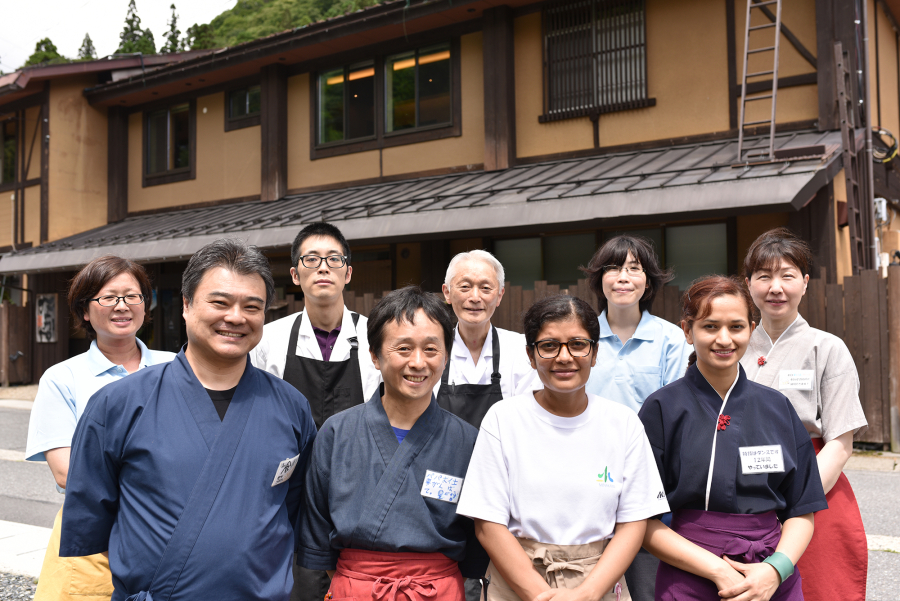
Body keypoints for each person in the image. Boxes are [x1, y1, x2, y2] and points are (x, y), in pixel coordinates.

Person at [59, 239, 317, 601]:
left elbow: (290, 510)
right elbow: (94, 526)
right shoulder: (117, 405)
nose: (236, 317)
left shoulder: (291, 406)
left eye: (252, 306)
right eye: (220, 302)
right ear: (186, 304)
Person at [457, 294, 670, 601]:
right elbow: (488, 525)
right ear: (531, 356)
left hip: (600, 580)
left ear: (595, 353)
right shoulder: (504, 419)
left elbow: (634, 523)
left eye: (578, 344)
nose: (565, 357)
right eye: (549, 346)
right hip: (517, 581)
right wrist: (539, 594)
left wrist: (588, 593)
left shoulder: (623, 423)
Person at [639, 276, 828, 601]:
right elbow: (641, 518)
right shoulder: (661, 409)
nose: (724, 339)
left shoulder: (778, 407)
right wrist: (718, 570)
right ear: (687, 330)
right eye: (710, 327)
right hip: (690, 573)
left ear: (751, 329)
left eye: (736, 327)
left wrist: (775, 569)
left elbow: (802, 508)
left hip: (770, 576)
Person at [297, 286, 489, 601]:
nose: (418, 362)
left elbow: (477, 542)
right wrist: (358, 581)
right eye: (403, 349)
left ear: (445, 357)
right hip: (357, 590)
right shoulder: (336, 433)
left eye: (431, 349)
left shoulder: (467, 440)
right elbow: (317, 531)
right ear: (374, 355)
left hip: (436, 591)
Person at [25, 256, 176, 601]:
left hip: (168, 531)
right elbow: (66, 472)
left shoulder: (177, 366)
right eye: (108, 297)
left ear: (145, 304)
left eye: (132, 296)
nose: (122, 306)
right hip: (94, 535)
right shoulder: (62, 378)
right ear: (84, 311)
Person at [251, 221, 381, 601]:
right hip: (288, 494)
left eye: (333, 259)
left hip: (361, 488)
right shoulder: (269, 340)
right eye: (311, 259)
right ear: (295, 273)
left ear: (348, 272)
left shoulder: (376, 337)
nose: (323, 267)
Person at [739, 228, 868, 601]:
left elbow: (841, 443)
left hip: (813, 485)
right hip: (742, 489)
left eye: (787, 275)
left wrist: (799, 500)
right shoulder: (733, 345)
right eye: (764, 276)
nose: (775, 287)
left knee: (818, 588)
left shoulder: (827, 348)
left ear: (805, 282)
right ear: (748, 285)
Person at [581, 235, 691, 601]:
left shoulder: (671, 339)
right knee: (587, 579)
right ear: (599, 279)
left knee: (650, 585)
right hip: (588, 469)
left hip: (649, 473)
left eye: (634, 268)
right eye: (613, 268)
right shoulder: (584, 337)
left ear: (649, 281)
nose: (623, 277)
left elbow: (676, 414)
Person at [437, 249, 539, 428]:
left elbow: (528, 419)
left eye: (485, 288)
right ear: (447, 293)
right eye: (465, 287)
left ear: (499, 295)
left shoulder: (520, 350)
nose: (475, 298)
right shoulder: (432, 350)